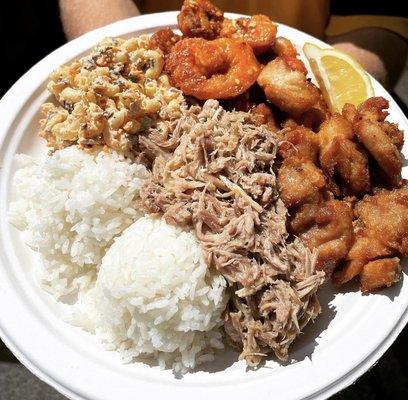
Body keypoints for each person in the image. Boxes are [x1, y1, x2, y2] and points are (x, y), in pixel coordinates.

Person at [59, 0, 408, 93]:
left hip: (300, 55)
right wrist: (121, 80)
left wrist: (324, 85)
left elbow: (379, 23)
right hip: (154, 56)